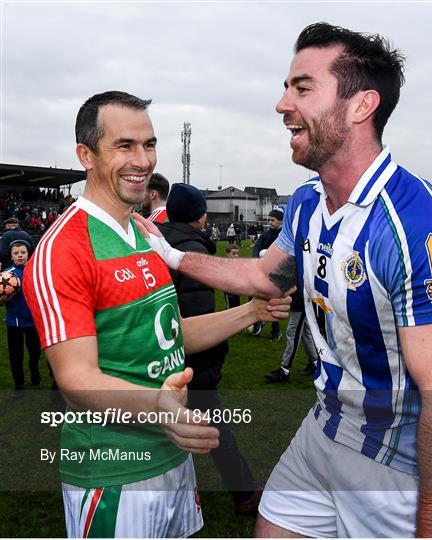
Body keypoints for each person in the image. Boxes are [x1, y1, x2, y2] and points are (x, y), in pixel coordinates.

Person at [134, 22, 432, 538]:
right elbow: (264, 275)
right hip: (325, 424)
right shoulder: (308, 202)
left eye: (302, 87)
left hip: (388, 462)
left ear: (361, 106)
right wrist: (169, 253)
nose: (282, 103)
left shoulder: (412, 225)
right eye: (286, 86)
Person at [23, 91, 291, 539]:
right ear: (85, 155)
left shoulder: (145, 237)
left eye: (149, 145)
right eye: (124, 146)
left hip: (174, 459)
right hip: (114, 475)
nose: (142, 160)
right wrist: (159, 408)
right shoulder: (62, 250)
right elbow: (76, 381)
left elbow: (168, 334)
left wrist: (251, 311)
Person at [160, 183, 260, 515]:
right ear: (201, 217)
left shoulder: (158, 241)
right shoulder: (192, 252)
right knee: (213, 428)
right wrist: (207, 365)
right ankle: (244, 493)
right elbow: (198, 315)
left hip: (159, 357)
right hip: (190, 361)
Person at [3, 239, 41, 398]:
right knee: (15, 355)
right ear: (11, 256)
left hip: (33, 321)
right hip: (14, 322)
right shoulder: (6, 275)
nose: (20, 255)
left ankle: (34, 368)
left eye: (23, 252)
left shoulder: (36, 270)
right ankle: (19, 385)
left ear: (28, 254)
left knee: (35, 352)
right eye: (16, 253)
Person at [264, 286, 318, 382]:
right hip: (301, 299)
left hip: (301, 300)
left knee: (292, 333)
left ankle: (285, 370)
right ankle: (315, 363)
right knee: (305, 333)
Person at [251, 209, 284, 341]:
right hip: (263, 271)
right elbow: (256, 248)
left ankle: (275, 331)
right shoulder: (265, 235)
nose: (269, 222)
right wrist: (255, 259)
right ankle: (256, 323)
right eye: (268, 220)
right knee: (255, 296)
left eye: (272, 220)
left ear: (280, 221)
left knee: (273, 302)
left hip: (277, 273)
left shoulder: (283, 236)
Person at [224, 245, 241, 309]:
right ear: (227, 254)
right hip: (229, 291)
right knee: (230, 307)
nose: (236, 256)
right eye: (233, 254)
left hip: (237, 289)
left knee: (237, 306)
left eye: (237, 254)